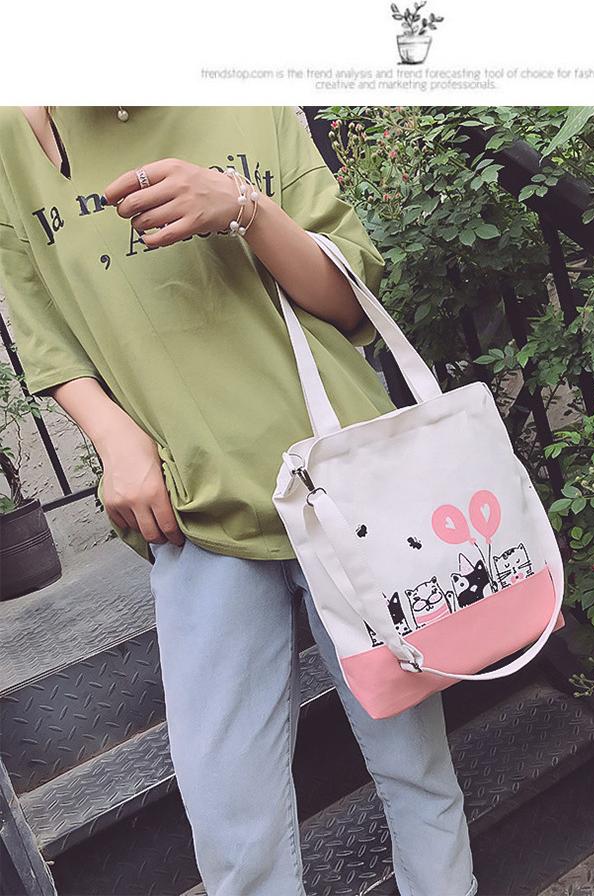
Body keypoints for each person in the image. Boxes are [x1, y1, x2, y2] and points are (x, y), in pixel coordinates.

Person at [0, 106, 477, 896]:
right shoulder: (13, 145)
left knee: (416, 768)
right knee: (233, 823)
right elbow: (43, 329)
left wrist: (244, 208)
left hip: (339, 488)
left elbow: (350, 302)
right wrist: (114, 437)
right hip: (193, 509)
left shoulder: (249, 98)